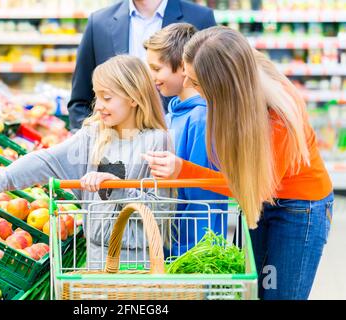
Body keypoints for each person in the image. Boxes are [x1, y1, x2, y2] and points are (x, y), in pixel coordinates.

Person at [143, 26, 334, 300]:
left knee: (279, 295)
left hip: (299, 209)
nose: (188, 86)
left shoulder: (276, 118)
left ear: (221, 84)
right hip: (264, 201)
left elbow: (251, 187)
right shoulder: (243, 76)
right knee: (255, 291)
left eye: (196, 83)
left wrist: (183, 170)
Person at [0, 55, 172, 267]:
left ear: (133, 98)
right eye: (97, 95)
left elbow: (163, 209)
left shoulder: (156, 141)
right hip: (96, 260)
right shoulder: (93, 135)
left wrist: (116, 187)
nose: (98, 105)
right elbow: (45, 161)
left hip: (139, 262)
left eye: (107, 98)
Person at [143, 23, 227, 257]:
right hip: (173, 240)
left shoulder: (200, 117)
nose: (152, 77)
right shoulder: (174, 113)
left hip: (195, 248)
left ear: (183, 66)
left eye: (157, 68)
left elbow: (204, 194)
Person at [68, 0, 217, 130]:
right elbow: (80, 99)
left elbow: (216, 88)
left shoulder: (200, 18)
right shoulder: (99, 22)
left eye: (157, 69)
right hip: (116, 146)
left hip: (175, 147)